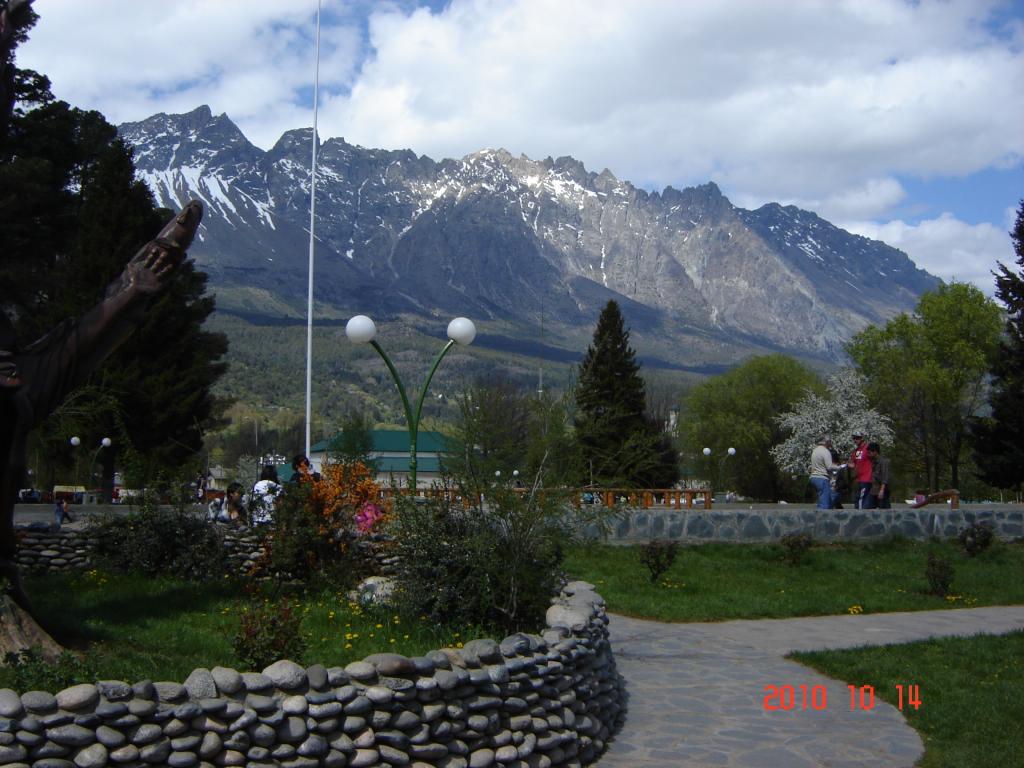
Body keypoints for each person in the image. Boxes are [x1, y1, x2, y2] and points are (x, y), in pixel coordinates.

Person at [809, 436, 843, 509]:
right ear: (826, 442)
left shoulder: (815, 450)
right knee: (825, 504)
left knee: (823, 500)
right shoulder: (825, 451)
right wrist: (839, 467)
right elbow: (829, 466)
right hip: (822, 478)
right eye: (830, 442)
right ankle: (821, 519)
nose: (830, 444)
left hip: (814, 478)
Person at [848, 433, 872, 509]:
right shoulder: (857, 451)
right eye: (854, 438)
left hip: (867, 478)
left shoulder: (868, 448)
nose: (855, 440)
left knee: (863, 499)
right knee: (858, 498)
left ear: (862, 438)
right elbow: (855, 462)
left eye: (857, 438)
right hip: (858, 479)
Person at [866, 442, 891, 509]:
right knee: (867, 508)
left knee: (884, 511)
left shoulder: (883, 462)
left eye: (870, 452)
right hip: (873, 490)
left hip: (881, 490)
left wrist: (882, 490)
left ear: (875, 452)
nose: (869, 454)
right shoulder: (873, 462)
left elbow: (885, 477)